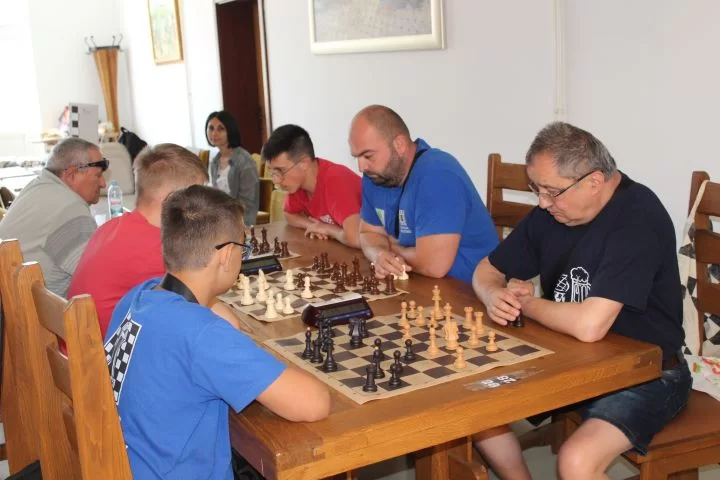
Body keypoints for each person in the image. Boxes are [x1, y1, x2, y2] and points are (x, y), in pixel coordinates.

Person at [472, 122, 691, 480]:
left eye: (551, 192)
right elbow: (486, 270)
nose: (542, 203)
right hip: (573, 359)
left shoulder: (638, 217)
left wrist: (526, 304)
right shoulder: (555, 210)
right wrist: (495, 294)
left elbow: (590, 326)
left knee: (576, 462)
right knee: (470, 400)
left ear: (594, 181)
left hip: (648, 373)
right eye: (536, 190)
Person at [104, 185, 330, 480]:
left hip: (129, 466)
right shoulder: (201, 335)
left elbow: (225, 323)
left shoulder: (137, 297)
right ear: (226, 255)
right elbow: (314, 403)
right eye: (243, 249)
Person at [68, 144, 210, 337]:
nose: (203, 206)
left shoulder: (110, 227)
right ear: (172, 199)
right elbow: (202, 314)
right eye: (198, 196)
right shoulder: (162, 249)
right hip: (103, 354)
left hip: (78, 345)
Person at [349, 105, 499, 283]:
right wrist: (380, 254)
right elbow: (368, 233)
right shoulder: (376, 177)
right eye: (357, 157)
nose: (361, 167)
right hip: (420, 283)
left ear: (399, 144)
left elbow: (434, 266)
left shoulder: (437, 174)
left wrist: (393, 248)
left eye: (368, 156)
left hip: (469, 289)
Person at [0, 138, 106, 296]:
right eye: (98, 175)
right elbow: (99, 277)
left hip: (11, 302)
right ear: (71, 174)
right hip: (39, 309)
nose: (103, 183)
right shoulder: (70, 208)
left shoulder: (37, 186)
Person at [262, 124, 362, 248]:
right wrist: (312, 225)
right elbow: (289, 214)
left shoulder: (335, 181)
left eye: (280, 171)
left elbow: (356, 238)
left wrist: (328, 229)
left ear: (304, 163)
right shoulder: (297, 186)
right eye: (272, 173)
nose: (276, 180)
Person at [206, 110, 260, 225]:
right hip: (222, 218)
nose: (214, 133)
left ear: (230, 131)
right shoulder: (215, 161)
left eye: (220, 129)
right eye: (211, 128)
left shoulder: (244, 161)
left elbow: (248, 202)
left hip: (241, 220)